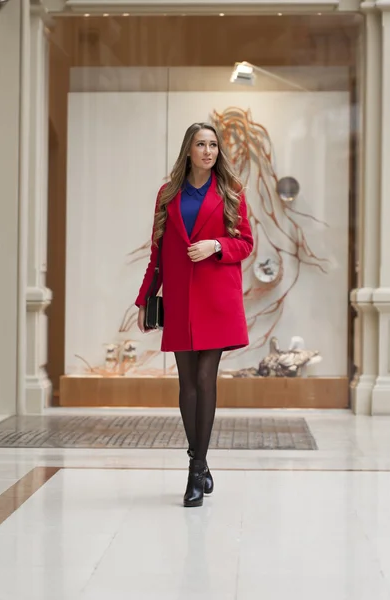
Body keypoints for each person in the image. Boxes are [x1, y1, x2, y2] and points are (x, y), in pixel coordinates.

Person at [135, 122, 253, 507]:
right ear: (188, 149)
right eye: (201, 144)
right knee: (186, 383)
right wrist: (145, 299)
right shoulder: (167, 194)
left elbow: (246, 243)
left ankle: (195, 469)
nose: (208, 151)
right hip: (182, 297)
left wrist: (216, 245)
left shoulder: (231, 192)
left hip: (217, 298)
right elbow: (157, 252)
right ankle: (199, 462)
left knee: (206, 377)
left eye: (213, 145)